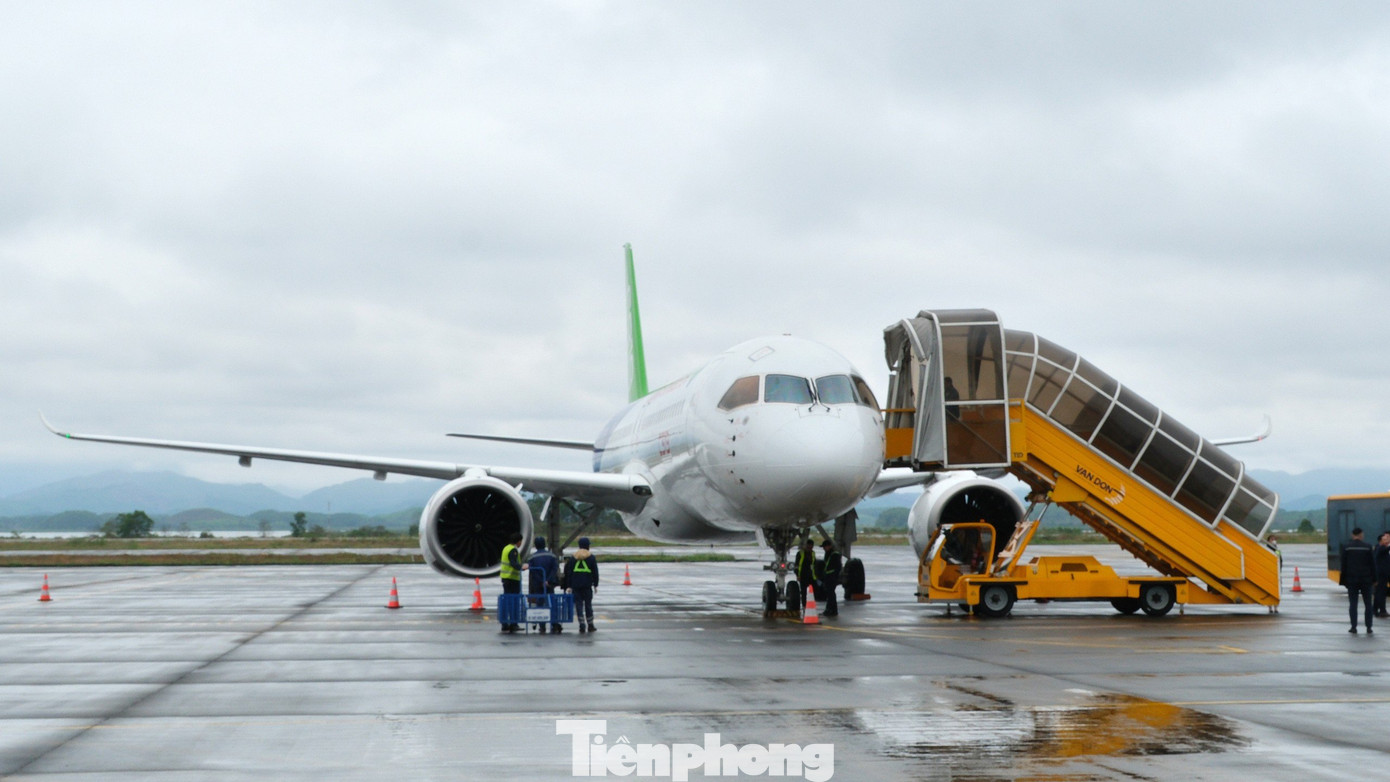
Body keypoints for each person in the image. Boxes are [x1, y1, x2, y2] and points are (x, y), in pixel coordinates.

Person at [1339, 527, 1376, 634]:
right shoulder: (1368, 547)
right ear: (1361, 535)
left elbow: (1343, 565)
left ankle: (1353, 627)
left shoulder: (1347, 547)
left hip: (1352, 579)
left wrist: (1343, 581)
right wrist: (1374, 579)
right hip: (1366, 579)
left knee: (1353, 604)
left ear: (1352, 535)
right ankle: (1369, 627)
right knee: (1368, 604)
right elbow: (1372, 565)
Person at [564, 537, 600, 634]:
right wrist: (595, 584)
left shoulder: (573, 558)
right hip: (587, 586)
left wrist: (569, 586)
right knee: (588, 605)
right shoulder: (591, 557)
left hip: (576, 586)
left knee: (579, 606)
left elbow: (569, 573)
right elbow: (595, 572)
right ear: (587, 546)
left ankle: (582, 625)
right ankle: (590, 625)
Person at [528, 536, 562, 634]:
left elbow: (533, 571)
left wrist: (541, 581)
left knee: (540, 604)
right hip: (549, 584)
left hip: (538, 585)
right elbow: (555, 569)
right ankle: (554, 623)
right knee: (552, 603)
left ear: (535, 545)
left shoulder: (532, 557)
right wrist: (548, 580)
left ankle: (542, 626)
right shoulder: (552, 556)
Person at [499, 533, 525, 633]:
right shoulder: (513, 550)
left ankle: (505, 624)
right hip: (512, 579)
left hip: (505, 578)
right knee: (514, 602)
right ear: (518, 541)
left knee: (507, 601)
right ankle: (514, 624)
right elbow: (513, 563)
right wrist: (522, 567)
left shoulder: (506, 548)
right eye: (520, 541)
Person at [819, 539, 841, 617]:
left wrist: (834, 576)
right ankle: (830, 609)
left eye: (825, 547)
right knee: (829, 594)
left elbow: (837, 567)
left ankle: (832, 610)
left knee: (831, 594)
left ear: (829, 546)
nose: (824, 549)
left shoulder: (834, 555)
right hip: (828, 576)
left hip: (832, 577)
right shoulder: (829, 554)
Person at [1265, 534, 1282, 614]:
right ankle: (1270, 607)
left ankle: (1275, 607)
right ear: (1268, 541)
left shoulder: (1277, 549)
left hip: (1276, 572)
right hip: (1269, 572)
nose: (1274, 541)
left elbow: (1280, 558)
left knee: (1277, 590)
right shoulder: (1266, 549)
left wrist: (1279, 569)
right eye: (1272, 539)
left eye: (1274, 539)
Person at [1374, 531, 1390, 619]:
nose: (1387, 540)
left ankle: (1376, 610)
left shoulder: (1382, 547)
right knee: (1381, 592)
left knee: (1380, 592)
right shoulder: (1380, 547)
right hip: (1382, 574)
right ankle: (1381, 610)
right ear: (1381, 541)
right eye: (1385, 538)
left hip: (1384, 573)